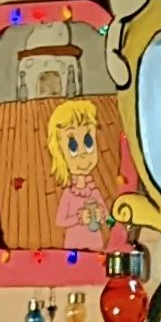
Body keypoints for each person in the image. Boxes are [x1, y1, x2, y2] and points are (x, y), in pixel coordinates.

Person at [47, 99, 117, 249]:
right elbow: (60, 220)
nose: (83, 154)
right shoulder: (69, 194)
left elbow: (109, 219)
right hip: (74, 246)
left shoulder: (94, 191)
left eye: (88, 141)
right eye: (73, 147)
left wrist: (102, 215)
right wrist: (79, 218)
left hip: (95, 244)